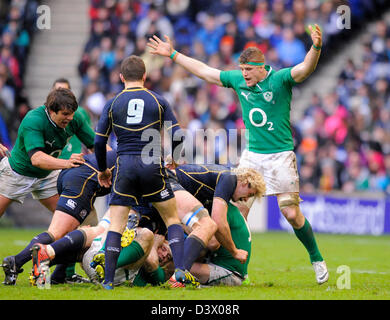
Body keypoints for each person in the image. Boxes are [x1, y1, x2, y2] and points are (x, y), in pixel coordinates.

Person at [147, 24, 329, 284]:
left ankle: (316, 258)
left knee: (290, 213)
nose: (243, 75)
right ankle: (229, 265)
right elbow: (206, 72)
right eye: (241, 69)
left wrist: (316, 47)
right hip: (252, 156)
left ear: (262, 68)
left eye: (248, 70)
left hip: (280, 156)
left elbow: (305, 69)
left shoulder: (279, 79)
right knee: (236, 213)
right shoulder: (237, 80)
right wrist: (173, 54)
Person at [94, 55, 195, 289]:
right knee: (171, 219)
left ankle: (108, 281)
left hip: (125, 167)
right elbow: (178, 135)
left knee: (116, 225)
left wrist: (103, 170)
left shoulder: (112, 103)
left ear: (121, 77)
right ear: (144, 76)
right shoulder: (158, 100)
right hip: (152, 164)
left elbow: (99, 143)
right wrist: (175, 158)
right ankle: (179, 272)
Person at [1, 151, 116, 285]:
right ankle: (16, 261)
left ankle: (59, 275)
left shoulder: (130, 154)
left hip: (74, 177)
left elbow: (98, 143)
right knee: (58, 233)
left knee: (85, 234)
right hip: (81, 181)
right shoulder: (137, 163)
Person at [0, 88, 95, 220]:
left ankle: (89, 240)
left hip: (47, 176)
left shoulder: (75, 118)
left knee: (75, 218)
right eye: (66, 114)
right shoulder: (34, 119)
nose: (70, 118)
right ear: (51, 111)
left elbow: (96, 145)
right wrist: (67, 163)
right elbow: (37, 159)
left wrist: (114, 162)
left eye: (72, 113)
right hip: (16, 174)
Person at [167, 163, 265, 270]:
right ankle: (180, 273)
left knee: (212, 241)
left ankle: (176, 273)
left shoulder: (220, 181)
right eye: (250, 194)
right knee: (209, 231)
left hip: (169, 185)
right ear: (245, 182)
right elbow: (219, 222)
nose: (246, 200)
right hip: (169, 182)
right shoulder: (230, 178)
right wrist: (234, 251)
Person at [52, 77, 95, 284]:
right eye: (59, 92)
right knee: (72, 226)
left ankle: (64, 272)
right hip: (54, 171)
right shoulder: (44, 119)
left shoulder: (79, 115)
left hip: (76, 170)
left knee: (86, 226)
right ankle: (60, 270)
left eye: (66, 92)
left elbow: (91, 141)